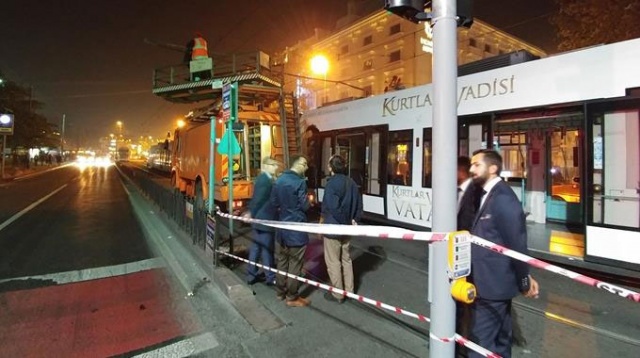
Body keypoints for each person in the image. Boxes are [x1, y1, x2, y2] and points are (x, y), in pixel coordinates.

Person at [467, 149, 539, 358]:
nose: (472, 169)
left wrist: (524, 279)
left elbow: (517, 243)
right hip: (492, 283)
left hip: (492, 285)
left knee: (481, 342)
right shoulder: (488, 193)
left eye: (476, 165)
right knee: (501, 338)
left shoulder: (503, 199)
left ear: (493, 168)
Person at [270, 154, 312, 307]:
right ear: (299, 164)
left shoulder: (279, 180)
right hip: (296, 228)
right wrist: (309, 202)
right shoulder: (299, 182)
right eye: (305, 164)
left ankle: (280, 292)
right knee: (295, 263)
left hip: (282, 228)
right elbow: (305, 205)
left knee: (282, 260)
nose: (306, 168)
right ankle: (292, 297)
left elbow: (274, 202)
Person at [320, 155, 363, 303]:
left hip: (333, 228)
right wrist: (354, 220)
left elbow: (332, 207)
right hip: (347, 229)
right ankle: (350, 291)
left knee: (333, 261)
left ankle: (338, 294)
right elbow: (359, 205)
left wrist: (343, 221)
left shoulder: (331, 184)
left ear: (331, 168)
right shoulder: (351, 182)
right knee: (346, 259)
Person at [245, 157, 279, 286]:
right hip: (264, 220)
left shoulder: (266, 179)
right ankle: (270, 277)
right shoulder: (265, 180)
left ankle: (251, 275)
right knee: (267, 249)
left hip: (260, 219)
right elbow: (258, 200)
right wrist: (251, 213)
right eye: (273, 165)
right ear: (265, 166)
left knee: (256, 247)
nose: (276, 167)